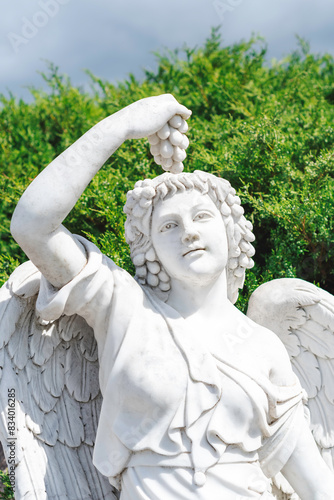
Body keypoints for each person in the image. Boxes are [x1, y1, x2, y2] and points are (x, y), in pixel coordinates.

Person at [10, 94, 334, 499]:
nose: (189, 232)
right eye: (168, 226)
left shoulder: (264, 345)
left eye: (202, 216)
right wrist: (123, 125)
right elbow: (32, 225)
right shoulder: (125, 310)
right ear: (150, 249)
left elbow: (317, 485)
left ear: (232, 232)